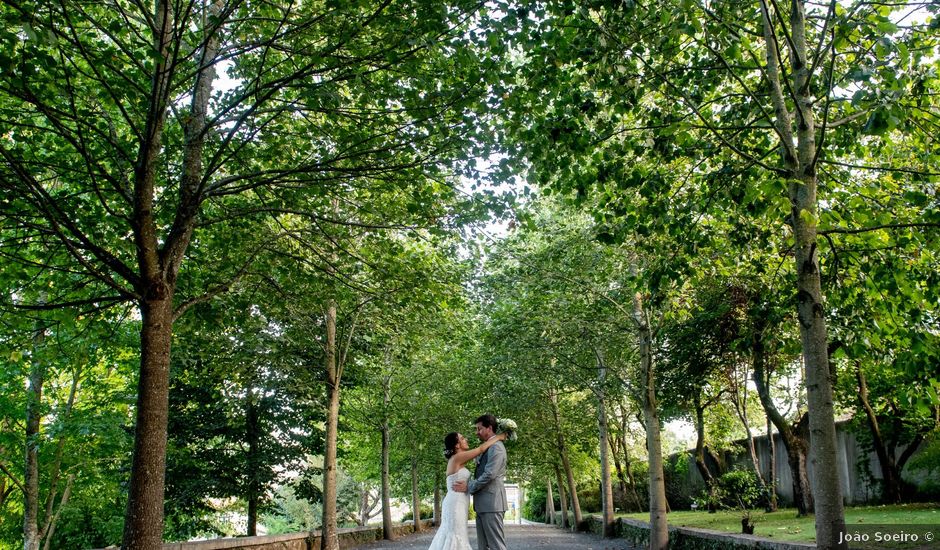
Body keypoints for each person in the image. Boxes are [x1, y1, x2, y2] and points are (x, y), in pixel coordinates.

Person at [426, 429, 507, 550]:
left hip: (459, 502)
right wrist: (498, 437)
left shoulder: (458, 459)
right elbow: (480, 449)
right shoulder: (457, 457)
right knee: (456, 536)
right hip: (456, 503)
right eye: (462, 438)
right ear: (457, 445)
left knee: (457, 535)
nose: (466, 439)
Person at [452, 414, 508, 550]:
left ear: (489, 428)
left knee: (496, 545)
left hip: (492, 504)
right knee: (483, 546)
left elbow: (489, 474)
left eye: (479, 428)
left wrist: (469, 486)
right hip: (484, 504)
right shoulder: (489, 446)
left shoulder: (497, 448)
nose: (476, 433)